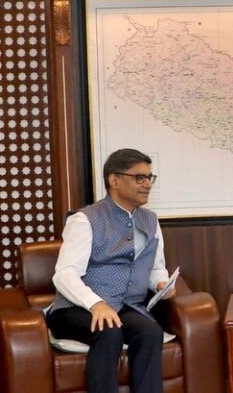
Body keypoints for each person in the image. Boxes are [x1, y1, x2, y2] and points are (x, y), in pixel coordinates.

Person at [46, 149, 173, 393]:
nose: (147, 184)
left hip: (125, 306)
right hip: (75, 309)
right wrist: (96, 304)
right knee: (109, 331)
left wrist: (161, 283)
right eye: (139, 178)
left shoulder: (150, 220)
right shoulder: (84, 219)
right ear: (114, 181)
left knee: (150, 331)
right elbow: (65, 274)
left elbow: (156, 267)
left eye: (149, 177)